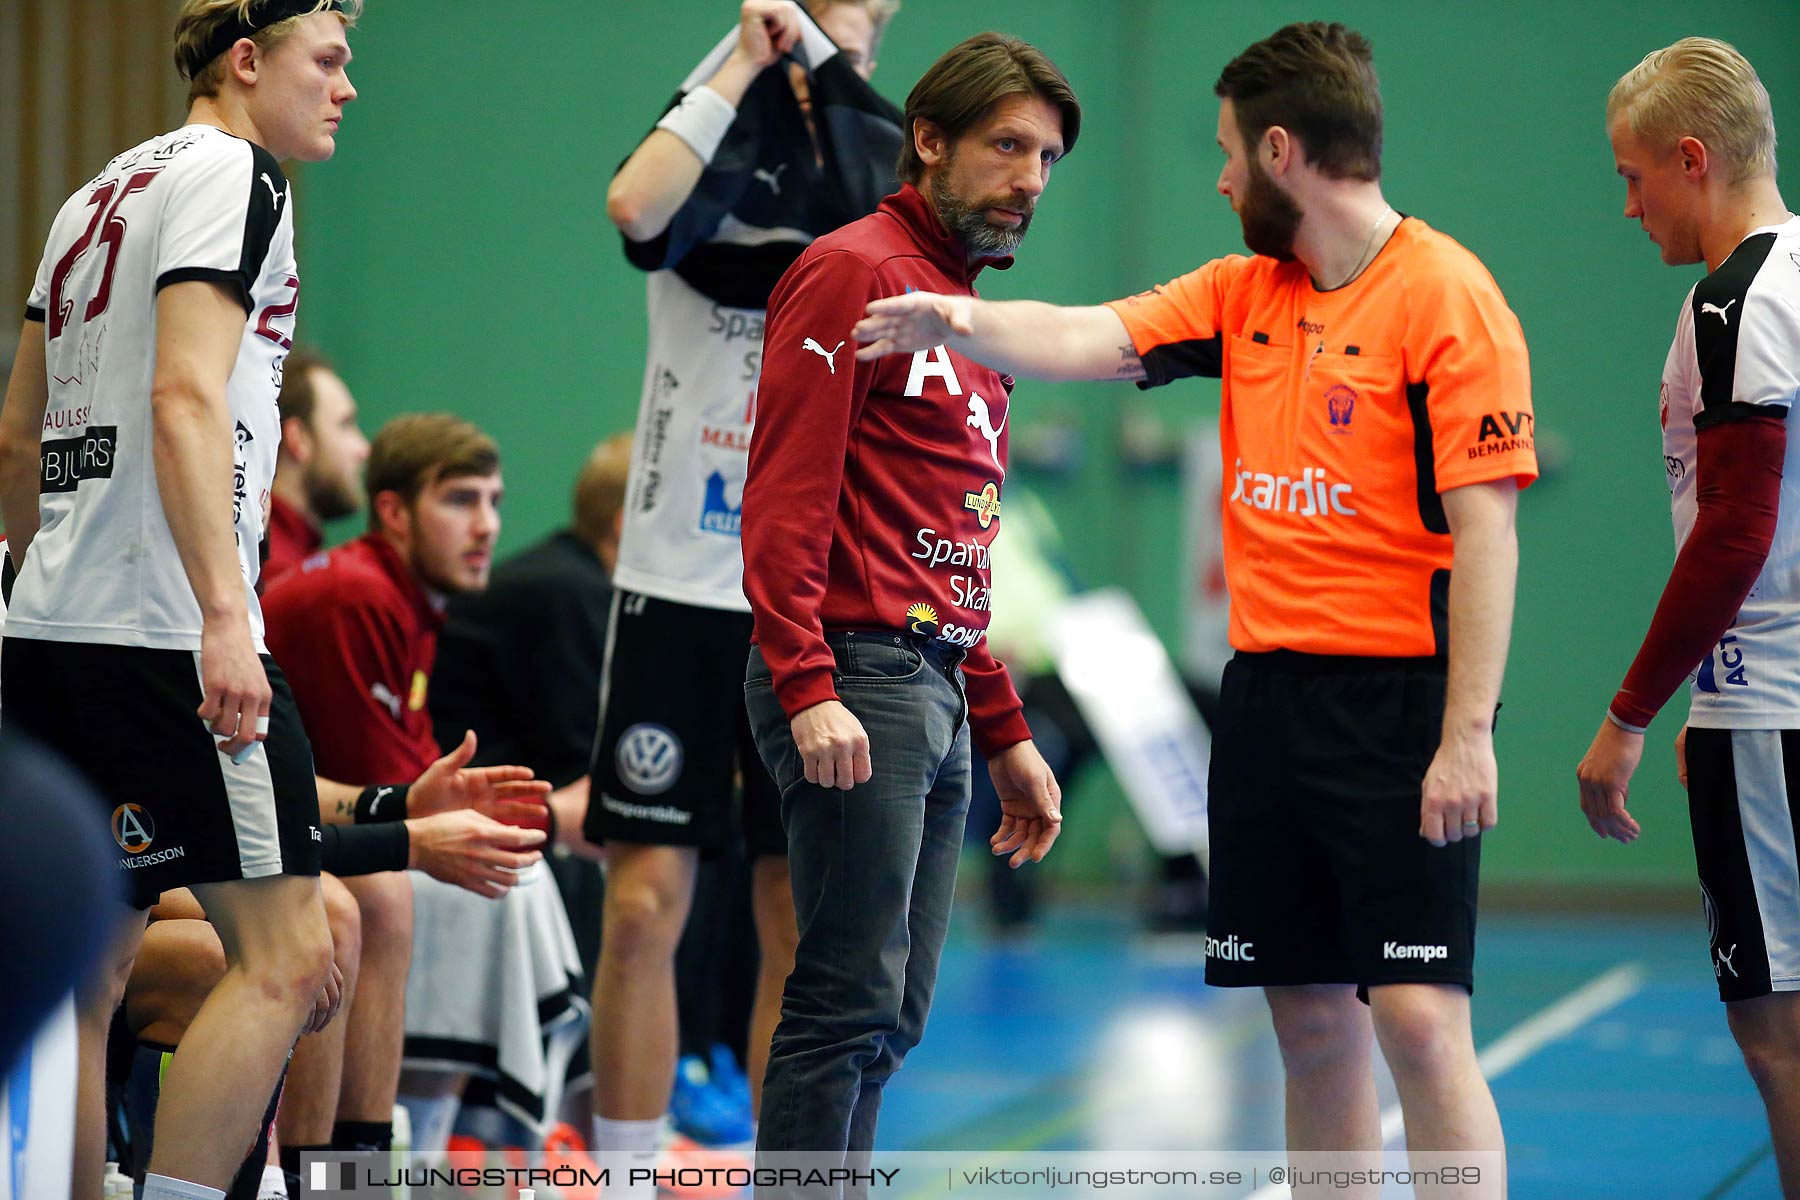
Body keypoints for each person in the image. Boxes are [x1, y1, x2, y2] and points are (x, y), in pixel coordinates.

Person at [854, 21, 1536, 1185]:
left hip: (1401, 709)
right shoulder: (1240, 293)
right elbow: (1087, 335)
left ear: (1281, 152)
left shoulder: (1448, 297)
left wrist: (1466, 735)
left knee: (1419, 1022)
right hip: (1266, 704)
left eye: (1228, 153)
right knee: (1311, 1025)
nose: (1219, 179)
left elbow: (1489, 536)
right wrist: (952, 318)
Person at [0, 4, 359, 1197]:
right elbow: (185, 397)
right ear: (245, 62)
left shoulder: (90, 193)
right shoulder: (237, 175)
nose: (346, 87)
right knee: (292, 956)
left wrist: (38, 577)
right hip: (163, 628)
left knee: (89, 973)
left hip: (47, 626)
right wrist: (223, 614)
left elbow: (15, 435)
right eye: (330, 60)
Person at [742, 31, 1076, 1177]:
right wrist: (805, 683)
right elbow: (786, 499)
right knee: (841, 1003)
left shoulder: (976, 327)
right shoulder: (853, 271)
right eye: (1008, 147)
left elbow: (961, 560)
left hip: (935, 685)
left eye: (1048, 160)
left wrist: (1010, 732)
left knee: (891, 1019)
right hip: (852, 675)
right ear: (927, 141)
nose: (1031, 179)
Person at [590, 0, 902, 1184]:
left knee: (793, 918)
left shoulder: (874, 171)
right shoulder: (711, 124)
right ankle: (619, 1171)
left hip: (815, 596)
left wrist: (841, 69)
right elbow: (632, 205)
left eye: (868, 31)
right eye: (831, 18)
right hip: (674, 578)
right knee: (643, 907)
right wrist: (745, 53)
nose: (846, 46)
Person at [1577, 37, 1800, 1196]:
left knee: (1779, 1031)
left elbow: (1734, 531)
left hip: (1773, 704)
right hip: (1761, 702)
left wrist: (1632, 713)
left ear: (1694, 159)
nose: (1628, 206)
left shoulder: (1737, 301)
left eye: (1634, 176)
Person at [263, 413, 586, 1153]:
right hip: (249, 834)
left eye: (496, 502)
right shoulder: (359, 597)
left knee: (503, 874)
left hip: (302, 820)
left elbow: (409, 789)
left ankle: (452, 1133)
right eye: (462, 500)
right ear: (394, 512)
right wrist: (548, 821)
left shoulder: (410, 602)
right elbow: (373, 803)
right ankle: (379, 1152)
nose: (487, 526)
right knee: (394, 890)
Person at [265, 344, 369, 587]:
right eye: (346, 424)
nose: (364, 449)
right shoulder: (271, 573)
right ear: (298, 438)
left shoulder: (300, 558)